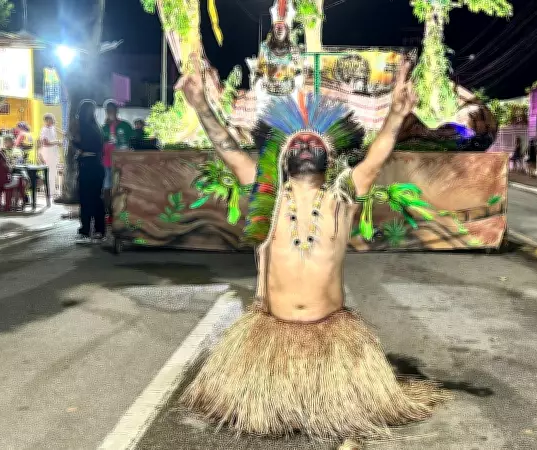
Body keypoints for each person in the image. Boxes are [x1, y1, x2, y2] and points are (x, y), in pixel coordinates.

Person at [175, 53, 447, 444]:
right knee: (267, 424)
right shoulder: (265, 195)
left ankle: (323, 403)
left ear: (329, 157)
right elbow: (227, 148)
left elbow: (376, 157)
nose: (304, 144)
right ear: (282, 159)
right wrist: (200, 104)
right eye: (296, 143)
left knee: (343, 421)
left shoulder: (343, 197)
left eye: (312, 142)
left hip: (332, 336)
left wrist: (396, 115)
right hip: (271, 336)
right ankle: (280, 401)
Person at [73, 100, 106, 242]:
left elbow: (78, 141)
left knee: (86, 199)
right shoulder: (96, 127)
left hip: (87, 164)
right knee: (97, 198)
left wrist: (77, 146)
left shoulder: (80, 125)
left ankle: (86, 230)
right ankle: (99, 230)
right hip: (97, 165)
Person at [101, 101, 133, 204]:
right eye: (107, 110)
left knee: (122, 185)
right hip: (107, 162)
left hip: (122, 161)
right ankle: (108, 211)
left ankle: (121, 210)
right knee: (107, 186)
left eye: (112, 110)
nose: (110, 112)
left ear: (116, 111)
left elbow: (133, 141)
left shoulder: (125, 126)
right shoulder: (103, 128)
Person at [38, 114, 63, 196]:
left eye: (53, 119)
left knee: (54, 171)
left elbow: (61, 135)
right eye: (51, 119)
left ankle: (52, 189)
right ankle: (49, 190)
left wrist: (58, 143)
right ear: (46, 121)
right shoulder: (44, 130)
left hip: (54, 153)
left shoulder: (53, 128)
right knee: (49, 172)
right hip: (48, 153)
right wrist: (57, 142)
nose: (53, 121)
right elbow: (45, 143)